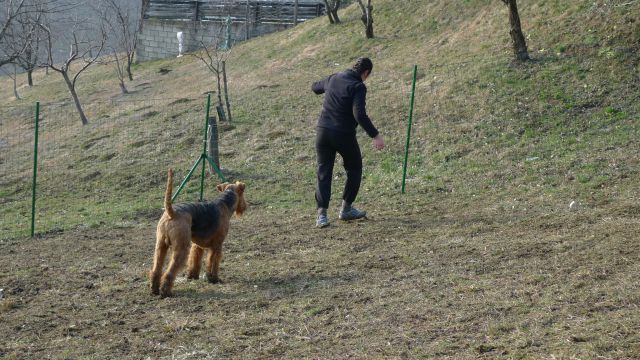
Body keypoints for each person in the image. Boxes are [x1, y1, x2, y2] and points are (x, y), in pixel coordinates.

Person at [311, 57, 385, 228]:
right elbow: (359, 114)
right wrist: (375, 135)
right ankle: (346, 209)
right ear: (365, 73)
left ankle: (321, 215)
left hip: (322, 132)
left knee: (324, 172)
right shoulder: (358, 86)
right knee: (355, 168)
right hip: (343, 134)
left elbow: (315, 87)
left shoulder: (334, 78)